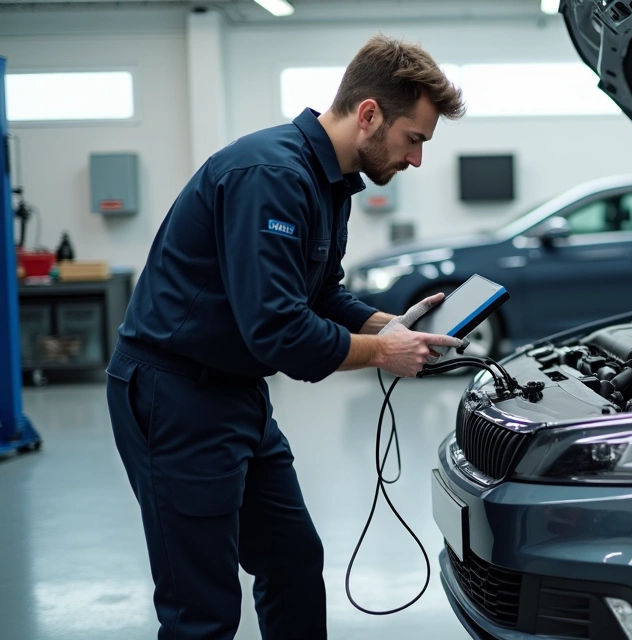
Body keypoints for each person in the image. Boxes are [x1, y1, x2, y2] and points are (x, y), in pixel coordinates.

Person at [104, 34, 465, 640]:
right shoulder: (270, 174)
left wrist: (388, 326)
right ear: (370, 114)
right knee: (203, 608)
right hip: (176, 396)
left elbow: (320, 294)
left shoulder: (334, 182)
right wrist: (383, 353)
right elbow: (278, 331)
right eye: (415, 140)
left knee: (292, 560)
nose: (416, 160)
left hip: (236, 394)